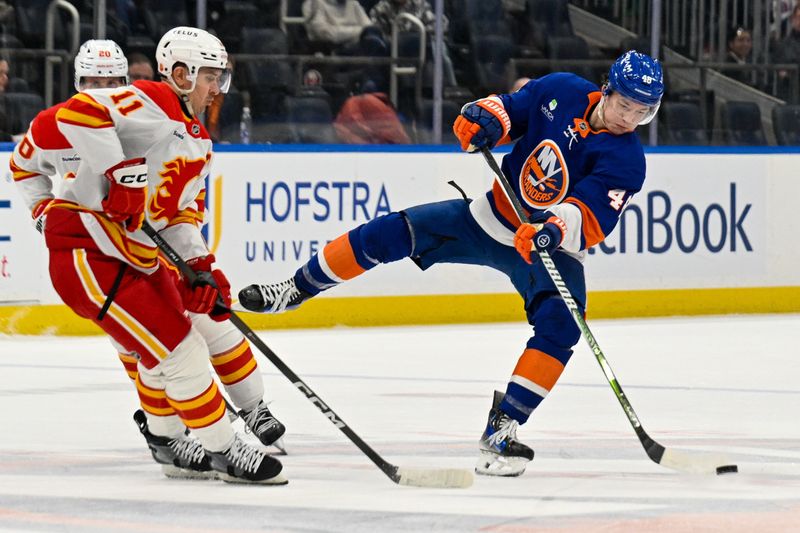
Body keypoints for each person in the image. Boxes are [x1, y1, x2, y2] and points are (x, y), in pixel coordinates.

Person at [237, 50, 663, 477]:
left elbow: (589, 214)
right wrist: (484, 118)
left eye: (642, 112)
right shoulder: (562, 90)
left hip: (544, 248)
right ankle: (294, 289)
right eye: (625, 104)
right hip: (487, 217)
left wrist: (551, 229)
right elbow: (511, 110)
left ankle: (503, 428)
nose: (629, 117)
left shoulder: (627, 161)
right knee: (387, 233)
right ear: (607, 89)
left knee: (563, 325)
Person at [16, 28, 287, 484]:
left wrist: (200, 268)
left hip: (132, 256)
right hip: (89, 254)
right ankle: (225, 451)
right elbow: (69, 116)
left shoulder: (197, 140)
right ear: (181, 74)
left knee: (181, 345)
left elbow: (173, 215)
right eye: (209, 76)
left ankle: (166, 440)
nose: (216, 88)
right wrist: (118, 172)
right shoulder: (154, 100)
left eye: (220, 77)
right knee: (179, 354)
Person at [302, 0, 373, 52]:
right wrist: (360, 32)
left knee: (375, 42)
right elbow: (326, 34)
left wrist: (363, 32)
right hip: (329, 52)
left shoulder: (353, 2)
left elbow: (370, 28)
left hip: (358, 47)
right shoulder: (313, 3)